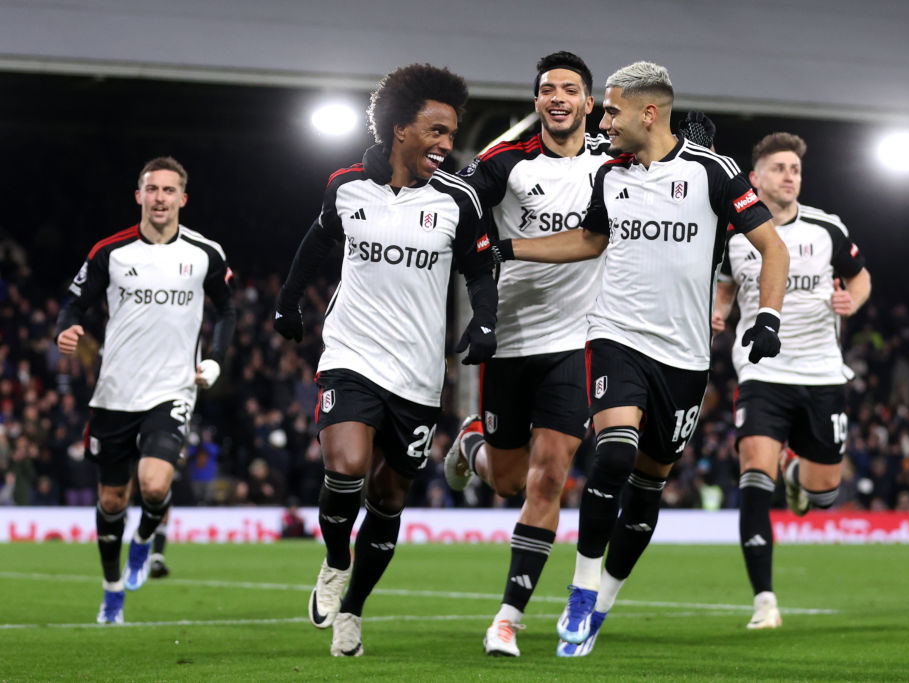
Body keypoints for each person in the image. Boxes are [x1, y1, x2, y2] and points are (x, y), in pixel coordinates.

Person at [489, 61, 789, 656]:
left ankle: (605, 597)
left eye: (612, 110)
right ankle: (580, 587)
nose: (604, 120)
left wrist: (769, 318)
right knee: (614, 452)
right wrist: (509, 247)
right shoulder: (611, 175)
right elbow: (590, 240)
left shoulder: (714, 174)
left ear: (648, 113)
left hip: (683, 356)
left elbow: (771, 247)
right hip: (615, 335)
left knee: (649, 484)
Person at [273, 63, 497, 658]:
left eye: (452, 134)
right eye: (436, 131)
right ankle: (335, 558)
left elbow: (479, 268)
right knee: (345, 464)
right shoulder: (346, 184)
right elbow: (318, 240)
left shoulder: (458, 199)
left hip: (420, 373)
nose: (446, 145)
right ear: (400, 129)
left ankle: (353, 609)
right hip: (351, 350)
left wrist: (486, 321)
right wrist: (288, 302)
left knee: (390, 497)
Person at [441, 50, 608, 658]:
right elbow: (460, 209)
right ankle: (471, 443)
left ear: (590, 102)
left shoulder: (612, 164)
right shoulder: (505, 161)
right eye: (547, 89)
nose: (557, 97)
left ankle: (507, 617)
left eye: (569, 88)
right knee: (508, 478)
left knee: (548, 479)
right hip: (510, 340)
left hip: (578, 342)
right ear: (536, 102)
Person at [55, 156, 235, 624]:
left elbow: (228, 310)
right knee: (113, 499)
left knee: (155, 485)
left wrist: (214, 358)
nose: (160, 198)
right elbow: (73, 303)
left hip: (173, 388)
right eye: (152, 189)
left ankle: (145, 542)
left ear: (182, 198)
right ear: (139, 196)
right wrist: (67, 329)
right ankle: (112, 587)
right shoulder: (110, 252)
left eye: (168, 190)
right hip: (115, 392)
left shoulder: (205, 254)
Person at [712, 132, 871, 629]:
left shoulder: (827, 228)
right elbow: (724, 283)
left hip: (823, 371)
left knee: (824, 493)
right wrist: (719, 311)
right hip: (763, 369)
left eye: (795, 169)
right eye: (779, 168)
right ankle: (764, 601)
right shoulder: (733, 235)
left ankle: (801, 479)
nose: (790, 176)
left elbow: (861, 276)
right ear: (755, 178)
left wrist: (854, 301)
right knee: (756, 475)